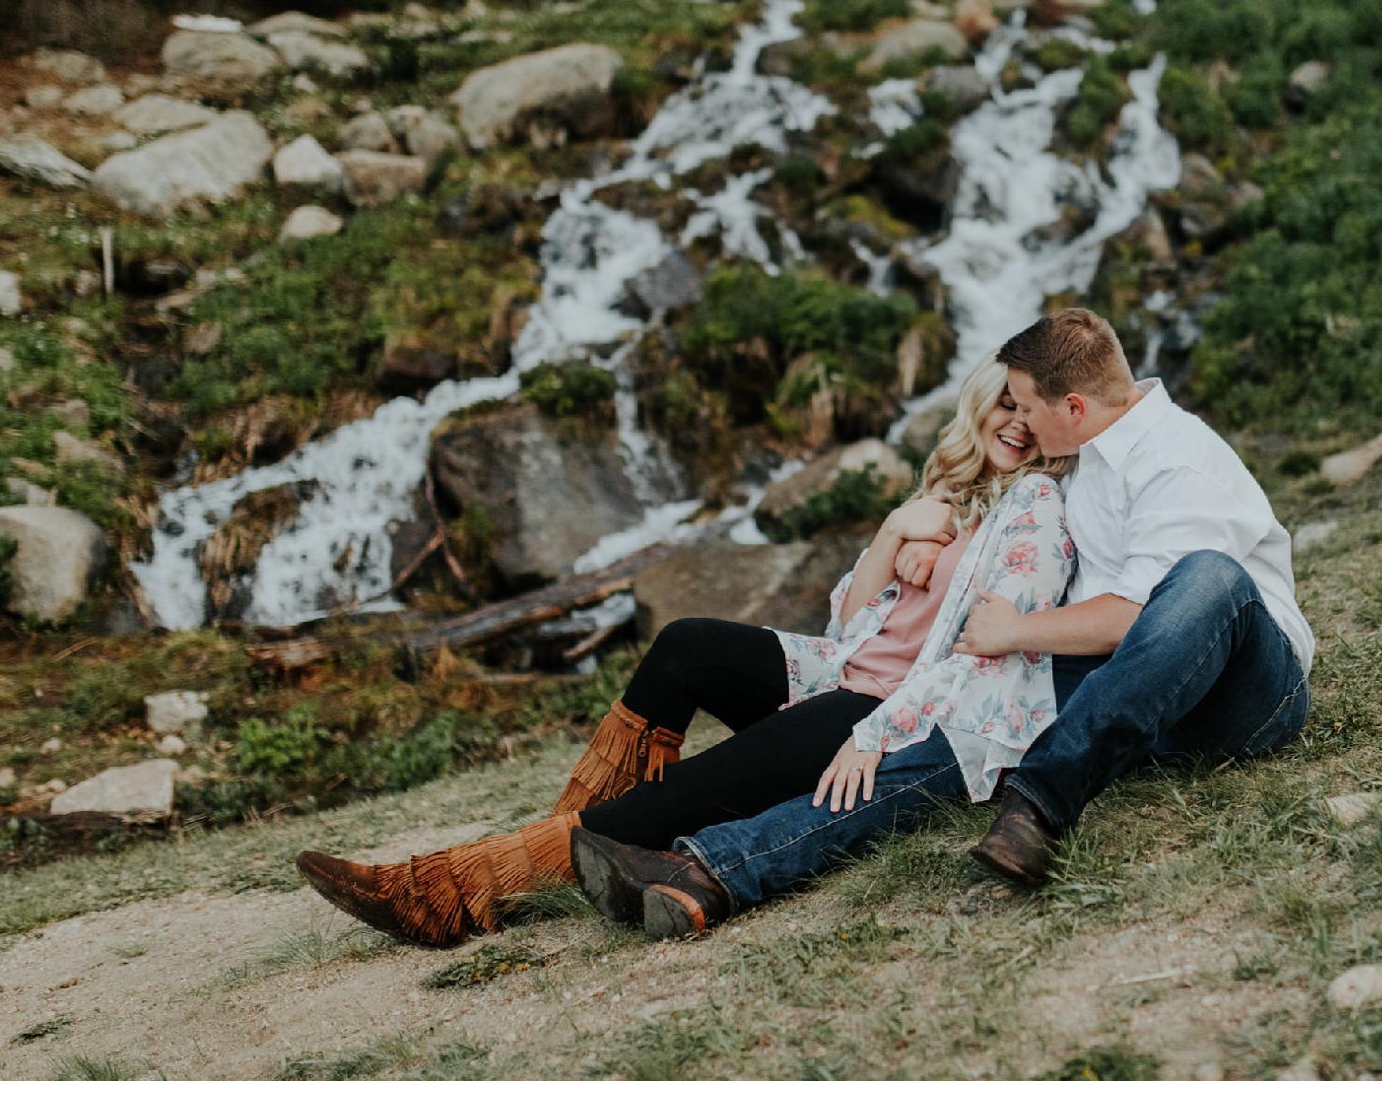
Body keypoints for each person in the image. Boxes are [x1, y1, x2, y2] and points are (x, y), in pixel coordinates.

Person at [571, 308, 1314, 939]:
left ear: (1074, 407)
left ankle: (1038, 803)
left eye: (1027, 403)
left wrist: (1013, 634)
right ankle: (716, 868)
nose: (1017, 417)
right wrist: (925, 551)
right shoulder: (1079, 454)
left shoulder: (1178, 460)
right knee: (976, 713)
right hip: (1133, 698)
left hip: (1241, 690)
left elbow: (1132, 618)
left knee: (1208, 577)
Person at [294, 352, 1073, 947]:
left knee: (678, 797)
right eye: (1003, 401)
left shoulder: (1034, 506)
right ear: (977, 403)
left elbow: (986, 657)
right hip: (836, 679)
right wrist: (895, 529)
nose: (1014, 421)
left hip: (877, 722)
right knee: (686, 644)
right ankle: (573, 836)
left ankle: (451, 894)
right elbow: (850, 625)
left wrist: (876, 732)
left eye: (1028, 410)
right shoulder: (952, 498)